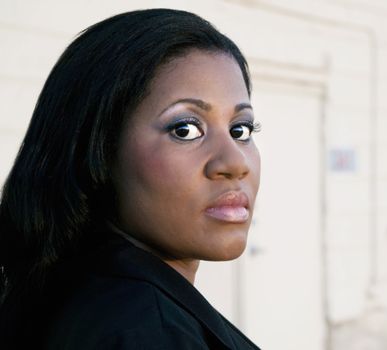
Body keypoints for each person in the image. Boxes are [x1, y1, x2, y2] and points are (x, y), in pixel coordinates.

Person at [0, 9, 261, 349]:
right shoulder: (145, 330)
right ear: (98, 150)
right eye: (185, 129)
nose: (234, 163)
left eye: (240, 130)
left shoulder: (73, 291)